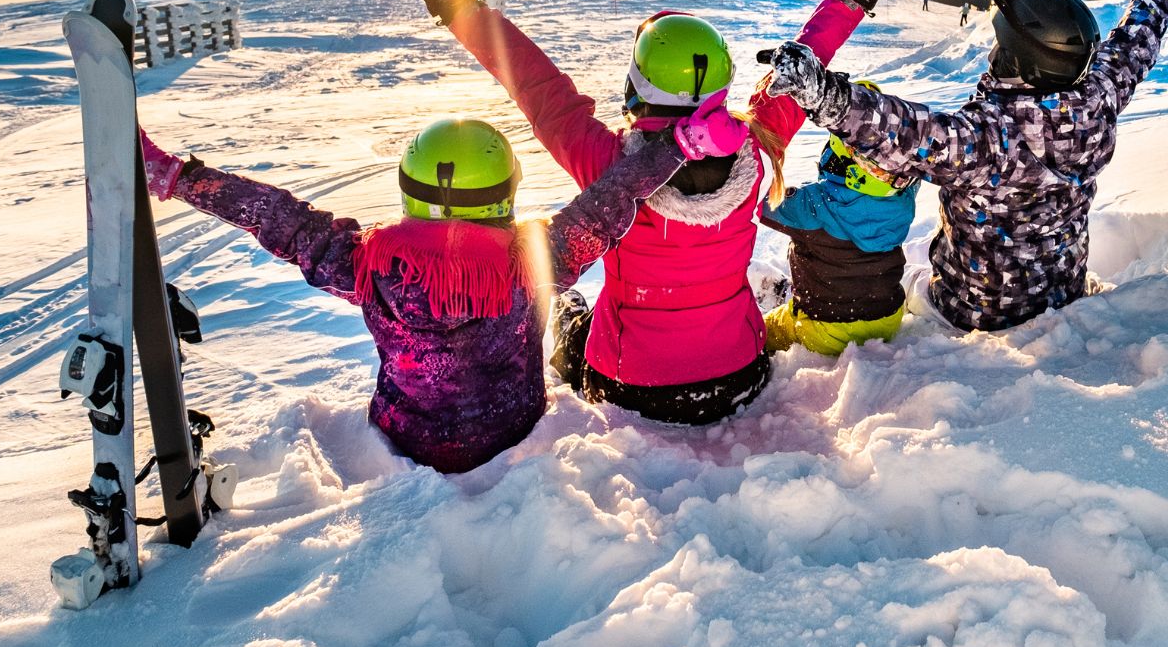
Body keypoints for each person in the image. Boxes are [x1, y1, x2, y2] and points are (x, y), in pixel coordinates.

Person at [407, 0, 904, 424]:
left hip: (631, 386)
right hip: (740, 374)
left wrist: (456, 5)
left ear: (637, 85)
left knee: (570, 315)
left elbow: (537, 86)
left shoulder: (609, 166)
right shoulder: (756, 148)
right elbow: (803, 67)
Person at [135, 103, 747, 473]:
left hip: (409, 438)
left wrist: (178, 178)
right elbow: (612, 201)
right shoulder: (535, 262)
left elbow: (275, 216)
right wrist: (681, 146)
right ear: (505, 191)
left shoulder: (367, 264)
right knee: (569, 311)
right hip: (513, 430)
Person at [762, 0, 1168, 333]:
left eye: (1001, 44)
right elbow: (1138, 37)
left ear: (1018, 60)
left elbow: (902, 132)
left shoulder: (989, 138)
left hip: (971, 313)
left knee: (902, 291)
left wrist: (821, 92)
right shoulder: (1099, 96)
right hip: (1063, 294)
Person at [760, 80, 920, 355]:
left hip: (826, 328)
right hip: (888, 318)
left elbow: (761, 202)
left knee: (765, 331)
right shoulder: (902, 198)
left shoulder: (814, 204)